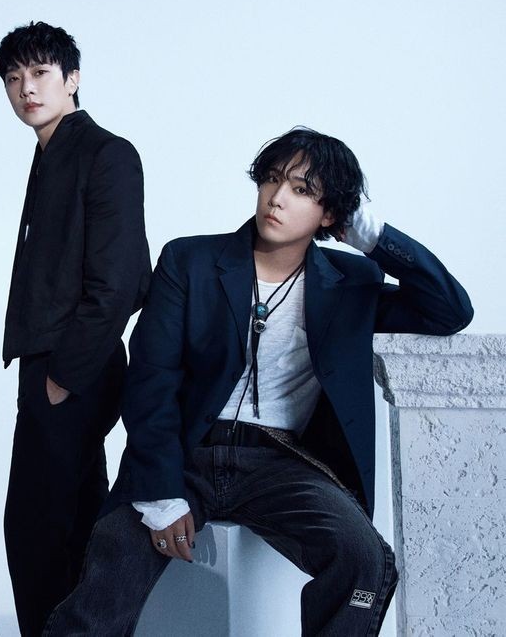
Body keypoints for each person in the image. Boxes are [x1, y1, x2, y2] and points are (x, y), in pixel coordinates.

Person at [44, 127, 473, 636]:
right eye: (272, 179)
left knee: (364, 560)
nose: (278, 198)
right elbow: (151, 380)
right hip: (187, 454)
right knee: (107, 579)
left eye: (302, 190)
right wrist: (160, 493)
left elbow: (449, 310)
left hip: (282, 464)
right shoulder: (190, 262)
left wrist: (373, 237)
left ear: (330, 214)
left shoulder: (350, 282)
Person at [0, 21, 151, 636]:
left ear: (73, 78)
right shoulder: (50, 154)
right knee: (78, 521)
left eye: (39, 73)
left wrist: (63, 376)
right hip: (53, 365)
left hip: (75, 366)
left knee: (34, 526)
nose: (26, 89)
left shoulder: (106, 153)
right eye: (14, 79)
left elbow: (121, 281)